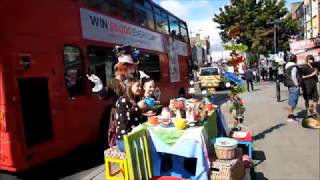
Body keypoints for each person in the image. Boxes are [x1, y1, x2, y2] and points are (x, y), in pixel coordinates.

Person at [115, 77, 147, 152]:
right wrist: (137, 107)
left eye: (140, 86)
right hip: (124, 139)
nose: (140, 88)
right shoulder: (122, 100)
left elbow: (136, 118)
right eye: (137, 86)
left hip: (135, 135)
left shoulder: (134, 99)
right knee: (147, 150)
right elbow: (124, 120)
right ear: (130, 86)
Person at [284, 54, 301, 121]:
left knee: (291, 100)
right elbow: (293, 76)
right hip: (294, 85)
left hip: (290, 85)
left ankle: (291, 114)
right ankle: (290, 116)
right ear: (295, 59)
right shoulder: (294, 67)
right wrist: (297, 85)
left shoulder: (287, 65)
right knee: (293, 101)